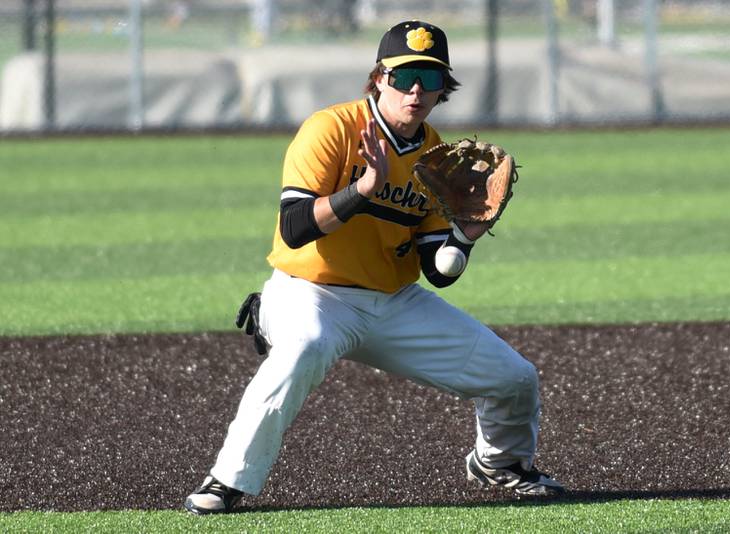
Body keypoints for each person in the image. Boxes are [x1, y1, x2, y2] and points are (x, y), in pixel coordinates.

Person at [184, 19, 565, 515]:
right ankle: (227, 481)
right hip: (312, 291)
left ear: (442, 88)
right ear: (379, 76)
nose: (416, 90)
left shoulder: (435, 156)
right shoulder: (332, 128)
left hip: (392, 302)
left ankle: (501, 462)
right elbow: (296, 226)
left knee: (514, 378)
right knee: (303, 348)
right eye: (405, 76)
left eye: (430, 80)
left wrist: (464, 238)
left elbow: (437, 270)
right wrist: (361, 190)